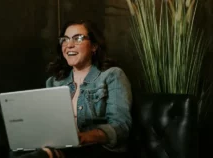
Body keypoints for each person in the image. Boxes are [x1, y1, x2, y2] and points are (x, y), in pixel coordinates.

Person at [12, 20, 132, 158]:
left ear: (94, 46)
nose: (69, 45)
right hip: (62, 148)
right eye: (65, 39)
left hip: (98, 150)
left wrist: (84, 137)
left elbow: (121, 127)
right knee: (18, 152)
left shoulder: (112, 75)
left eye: (78, 38)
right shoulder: (54, 82)